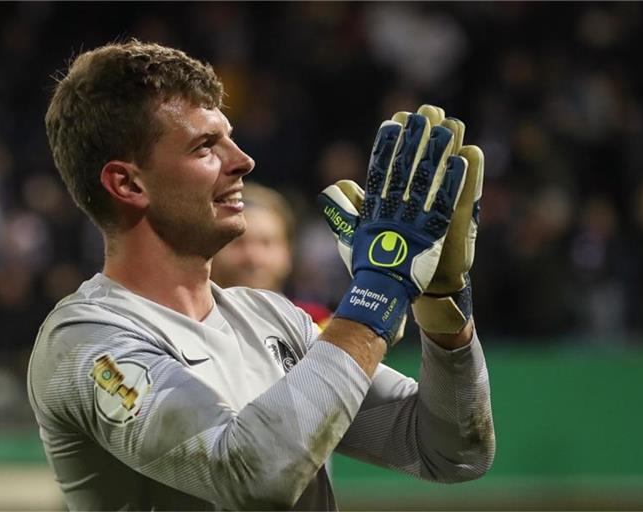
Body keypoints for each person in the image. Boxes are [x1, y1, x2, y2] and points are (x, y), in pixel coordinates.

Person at [27, 40, 495, 511]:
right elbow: (252, 475)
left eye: (228, 137)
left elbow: (451, 452)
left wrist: (441, 310)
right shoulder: (84, 343)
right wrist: (377, 291)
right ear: (127, 184)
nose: (242, 160)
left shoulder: (272, 319)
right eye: (205, 146)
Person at [210, 182, 332, 328]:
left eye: (266, 242)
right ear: (211, 249)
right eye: (238, 242)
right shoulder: (191, 324)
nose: (253, 257)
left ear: (288, 251)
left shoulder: (321, 326)